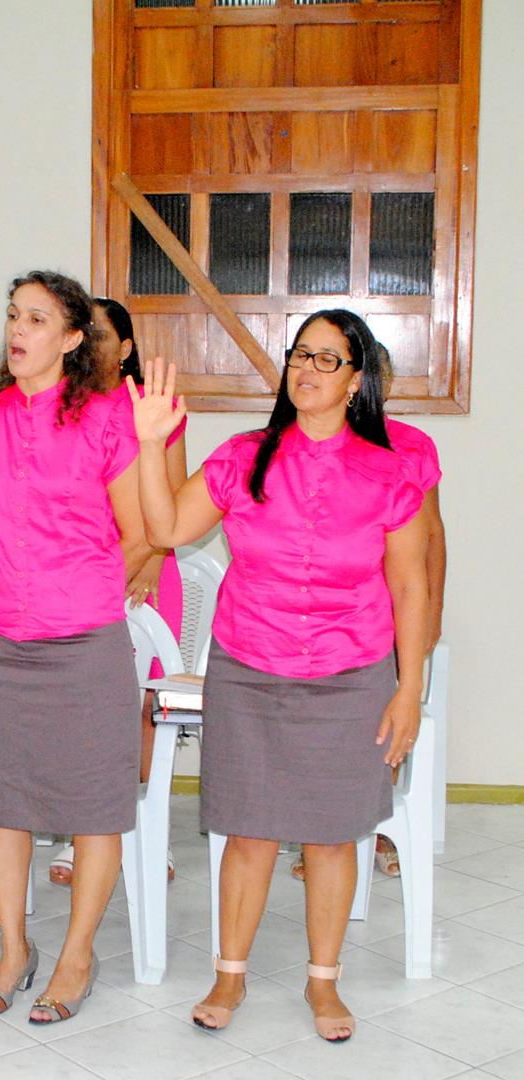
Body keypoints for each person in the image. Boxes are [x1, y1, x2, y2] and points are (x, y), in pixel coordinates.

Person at [128, 310, 428, 1042]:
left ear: (356, 380)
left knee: (332, 836)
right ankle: (228, 974)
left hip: (350, 673)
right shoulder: (243, 457)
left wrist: (409, 687)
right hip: (249, 667)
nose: (306, 369)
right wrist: (150, 444)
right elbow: (166, 529)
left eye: (327, 359)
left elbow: (411, 585)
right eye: (299, 355)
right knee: (249, 831)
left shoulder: (390, 470)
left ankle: (323, 982)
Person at [0, 270, 149, 1025]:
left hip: (84, 642)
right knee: (0, 803)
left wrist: (82, 587)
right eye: (14, 314)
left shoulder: (107, 419)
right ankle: (14, 949)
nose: (18, 329)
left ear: (73, 338)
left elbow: (140, 532)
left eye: (38, 318)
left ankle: (76, 956)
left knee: (94, 808)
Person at [290, 342, 446, 881]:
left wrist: (432, 613)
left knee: (380, 730)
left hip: (384, 619)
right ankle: (313, 834)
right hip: (317, 625)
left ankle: (373, 831)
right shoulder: (305, 442)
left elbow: (432, 536)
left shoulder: (411, 446)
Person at [49, 297, 188, 887]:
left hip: (145, 569)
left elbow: (174, 499)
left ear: (126, 348)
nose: (90, 344)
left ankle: (150, 830)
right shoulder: (62, 406)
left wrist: (152, 555)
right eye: (81, 333)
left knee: (145, 706)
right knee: (80, 707)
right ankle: (79, 832)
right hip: (79, 576)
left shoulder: (155, 407)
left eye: (102, 335)